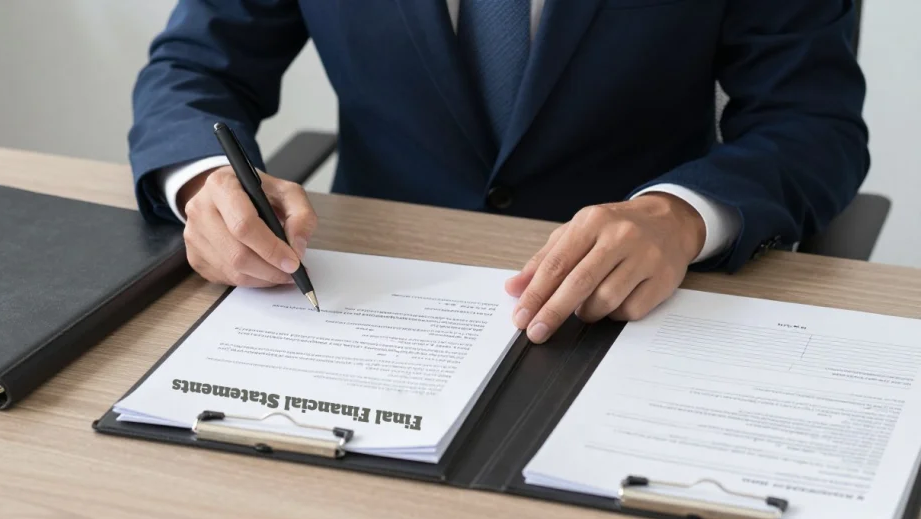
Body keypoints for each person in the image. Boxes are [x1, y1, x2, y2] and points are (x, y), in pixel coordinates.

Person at [128, 0, 868, 344]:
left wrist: (682, 215)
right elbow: (194, 66)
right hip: (363, 304)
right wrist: (203, 183)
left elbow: (811, 123)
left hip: (627, 316)